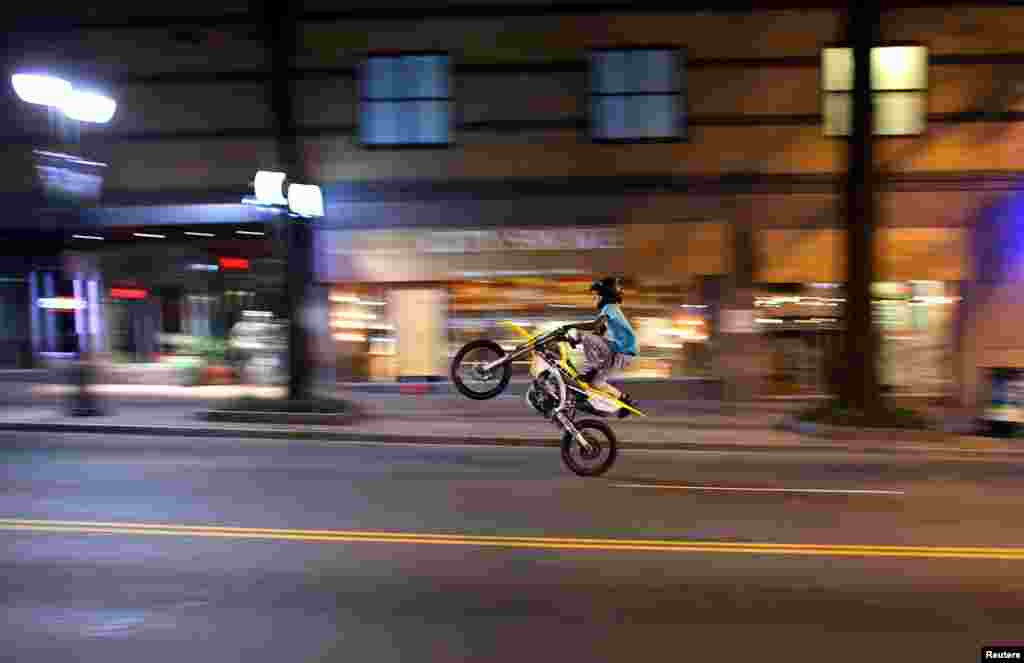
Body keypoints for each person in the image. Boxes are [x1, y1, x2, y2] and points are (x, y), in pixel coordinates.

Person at [564, 277, 638, 418]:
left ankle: (592, 368)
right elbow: (598, 334)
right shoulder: (609, 310)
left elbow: (594, 326)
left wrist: (570, 326)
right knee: (596, 382)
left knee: (585, 337)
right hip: (620, 351)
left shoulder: (610, 307)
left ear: (606, 295)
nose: (594, 298)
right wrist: (575, 339)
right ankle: (625, 400)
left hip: (623, 352)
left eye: (597, 295)